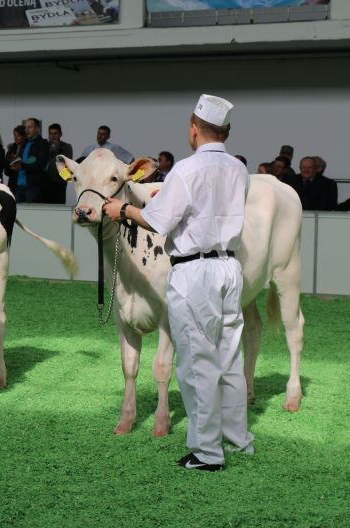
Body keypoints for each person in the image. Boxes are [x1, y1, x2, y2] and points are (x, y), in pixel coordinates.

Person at [104, 94, 254, 471]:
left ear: (193, 128)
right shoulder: (238, 169)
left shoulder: (186, 171)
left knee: (196, 362)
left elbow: (157, 221)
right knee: (229, 357)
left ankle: (207, 453)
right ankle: (237, 440)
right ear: (227, 131)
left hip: (194, 271)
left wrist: (120, 209)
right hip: (229, 267)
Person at [10, 118, 49, 203]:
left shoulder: (43, 144)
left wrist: (22, 166)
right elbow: (20, 160)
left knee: (31, 214)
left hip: (33, 186)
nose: (26, 130)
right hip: (20, 185)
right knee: (19, 214)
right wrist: (14, 163)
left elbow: (41, 165)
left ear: (37, 129)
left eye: (29, 127)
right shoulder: (24, 143)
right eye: (25, 127)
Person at [44, 123, 73, 203]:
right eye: (50, 133)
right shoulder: (44, 146)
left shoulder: (66, 147)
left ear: (60, 134)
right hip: (45, 182)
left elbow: (67, 164)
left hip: (60, 181)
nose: (53, 136)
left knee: (59, 207)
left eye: (55, 133)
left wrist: (57, 149)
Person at [4, 125, 26, 196]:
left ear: (24, 136)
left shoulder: (27, 148)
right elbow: (6, 170)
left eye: (18, 136)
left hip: (23, 182)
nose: (16, 138)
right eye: (14, 135)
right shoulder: (11, 149)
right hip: (12, 182)